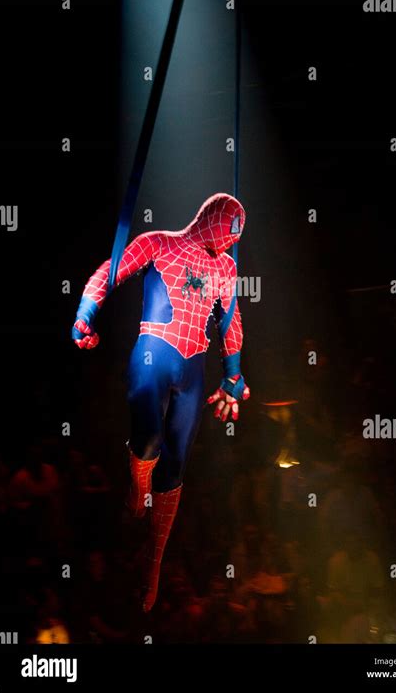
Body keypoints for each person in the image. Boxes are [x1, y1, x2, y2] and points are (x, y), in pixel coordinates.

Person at [72, 193, 250, 610]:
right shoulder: (159, 243)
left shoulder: (226, 268)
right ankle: (137, 486)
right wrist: (85, 313)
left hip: (193, 367)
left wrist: (233, 375)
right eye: (226, 233)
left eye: (233, 238)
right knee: (149, 438)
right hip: (155, 351)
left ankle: (152, 568)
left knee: (175, 469)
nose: (226, 244)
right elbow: (108, 273)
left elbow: (231, 319)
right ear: (208, 220)